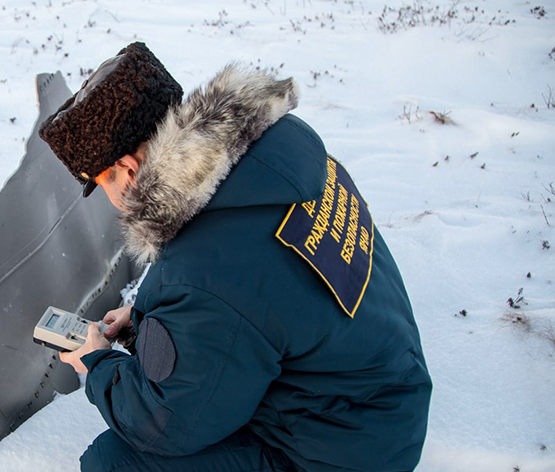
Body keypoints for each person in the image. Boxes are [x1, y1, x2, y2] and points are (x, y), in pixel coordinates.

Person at [39, 42, 431, 472]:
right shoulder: (279, 147)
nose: (112, 201)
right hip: (381, 401)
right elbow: (256, 291)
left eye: (104, 183)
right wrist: (148, 316)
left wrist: (97, 363)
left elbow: (165, 424)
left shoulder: (202, 273)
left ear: (131, 172)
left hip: (343, 453)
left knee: (111, 463)